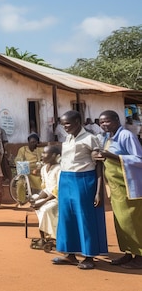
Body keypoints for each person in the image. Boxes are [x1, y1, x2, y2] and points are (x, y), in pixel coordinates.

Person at [52, 110, 107, 270]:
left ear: (78, 121)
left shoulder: (91, 138)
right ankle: (70, 253)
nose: (65, 127)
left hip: (83, 180)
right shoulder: (67, 138)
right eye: (63, 125)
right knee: (67, 217)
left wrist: (98, 191)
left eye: (67, 123)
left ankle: (89, 256)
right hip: (66, 180)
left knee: (85, 217)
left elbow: (99, 165)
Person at [93, 110, 142, 269]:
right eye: (101, 122)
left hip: (130, 187)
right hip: (116, 189)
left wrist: (112, 156)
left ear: (116, 120)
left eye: (107, 121)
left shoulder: (126, 136)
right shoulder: (107, 138)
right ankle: (129, 253)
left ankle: (140, 256)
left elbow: (139, 159)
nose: (104, 125)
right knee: (121, 222)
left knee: (133, 222)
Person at [30, 145, 61, 249]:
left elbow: (57, 190)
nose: (42, 155)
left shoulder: (59, 169)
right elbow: (45, 188)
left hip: (58, 199)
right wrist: (37, 200)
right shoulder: (43, 169)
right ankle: (45, 237)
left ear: (54, 156)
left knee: (44, 209)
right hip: (48, 196)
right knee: (36, 202)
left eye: (45, 153)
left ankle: (48, 238)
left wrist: (42, 202)